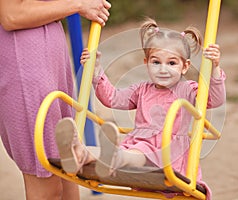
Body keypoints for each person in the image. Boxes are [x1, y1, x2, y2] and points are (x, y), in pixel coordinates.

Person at [55, 17, 226, 199]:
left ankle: (114, 158)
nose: (163, 69)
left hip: (167, 155)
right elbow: (112, 99)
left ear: (185, 67)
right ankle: (78, 153)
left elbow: (214, 99)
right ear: (146, 62)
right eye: (156, 62)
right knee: (126, 153)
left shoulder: (188, 89)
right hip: (139, 147)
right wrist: (96, 70)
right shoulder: (141, 89)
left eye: (172, 63)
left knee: (132, 154)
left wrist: (214, 68)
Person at [0, 0, 111, 199]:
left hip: (51, 56)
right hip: (25, 59)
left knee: (68, 175)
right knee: (47, 183)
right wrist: (78, 5)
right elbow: (11, 15)